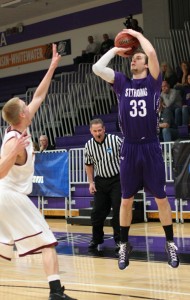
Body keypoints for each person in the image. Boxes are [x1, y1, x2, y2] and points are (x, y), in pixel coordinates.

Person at [92, 28, 180, 270]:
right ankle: (124, 244)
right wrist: (115, 49)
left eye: (137, 58)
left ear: (146, 64)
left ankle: (170, 242)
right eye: (133, 58)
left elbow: (151, 52)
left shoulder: (152, 82)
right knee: (126, 200)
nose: (135, 59)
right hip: (129, 147)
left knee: (161, 198)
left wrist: (136, 35)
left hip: (150, 145)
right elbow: (97, 69)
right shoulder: (121, 82)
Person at [0, 44, 77, 300]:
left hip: (9, 196)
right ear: (22, 114)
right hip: (9, 195)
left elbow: (39, 97)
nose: (28, 104)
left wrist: (52, 66)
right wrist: (13, 153)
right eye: (24, 104)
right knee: (47, 240)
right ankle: (56, 293)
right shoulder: (13, 141)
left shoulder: (21, 123)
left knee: (5, 246)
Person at [84, 118, 122, 253]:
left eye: (99, 130)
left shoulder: (115, 140)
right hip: (100, 181)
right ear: (91, 131)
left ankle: (120, 241)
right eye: (95, 131)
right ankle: (97, 238)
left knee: (118, 212)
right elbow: (88, 164)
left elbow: (125, 157)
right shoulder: (88, 145)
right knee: (96, 213)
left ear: (104, 129)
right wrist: (91, 182)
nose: (98, 133)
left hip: (117, 180)